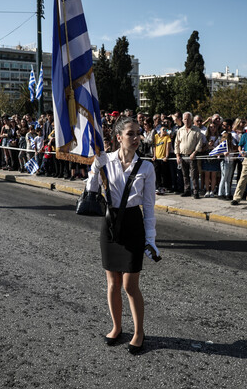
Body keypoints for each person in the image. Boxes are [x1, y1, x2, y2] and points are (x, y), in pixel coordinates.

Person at [86, 117, 158, 355]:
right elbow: (91, 193)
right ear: (118, 137)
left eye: (139, 133)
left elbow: (148, 207)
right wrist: (94, 170)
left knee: (129, 284)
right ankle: (116, 327)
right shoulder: (105, 160)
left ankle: (139, 332)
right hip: (109, 223)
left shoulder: (146, 167)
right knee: (113, 283)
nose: (137, 138)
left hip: (133, 224)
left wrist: (151, 239)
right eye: (131, 133)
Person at [175, 112, 204, 199]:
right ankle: (187, 190)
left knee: (194, 175)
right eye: (185, 119)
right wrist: (177, 156)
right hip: (183, 156)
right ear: (182, 120)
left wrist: (194, 153)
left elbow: (199, 143)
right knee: (184, 174)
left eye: (188, 119)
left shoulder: (196, 130)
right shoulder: (180, 130)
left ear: (191, 120)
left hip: (192, 156)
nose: (186, 121)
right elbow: (176, 143)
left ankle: (195, 191)